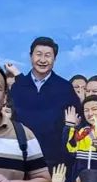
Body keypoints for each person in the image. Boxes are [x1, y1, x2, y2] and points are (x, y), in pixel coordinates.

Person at [9, 37, 81, 171]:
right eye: (38, 54)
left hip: (54, 160)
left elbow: (77, 120)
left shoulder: (64, 88)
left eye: (47, 55)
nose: (42, 60)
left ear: (55, 59)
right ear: (31, 56)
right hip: (21, 156)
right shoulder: (18, 87)